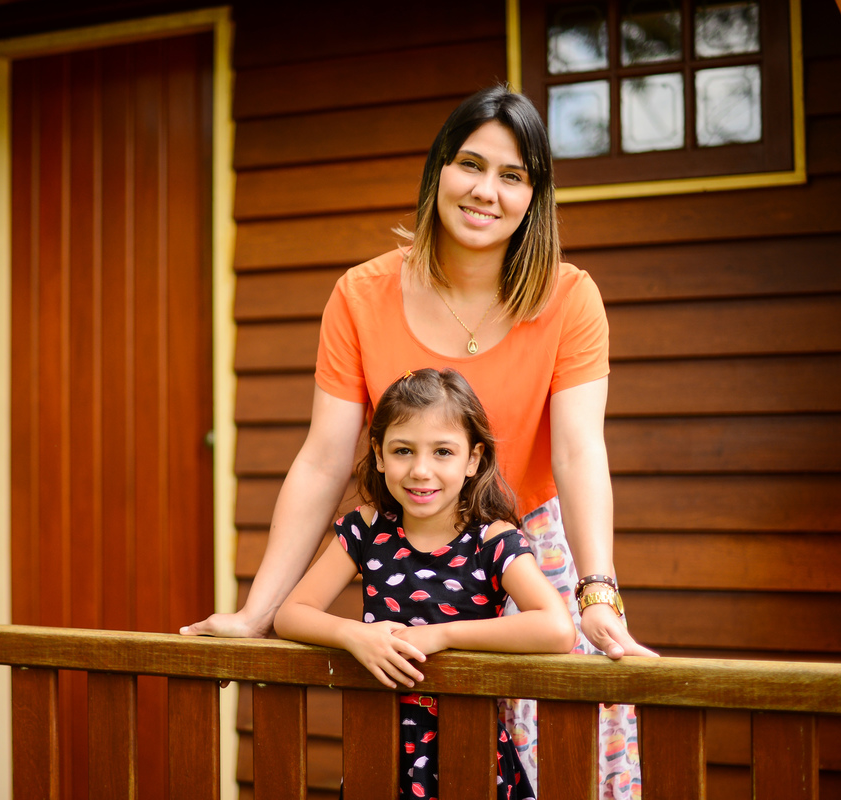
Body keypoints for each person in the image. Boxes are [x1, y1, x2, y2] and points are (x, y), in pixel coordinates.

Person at [182, 85, 656, 796]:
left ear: (535, 197)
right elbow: (323, 459)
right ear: (439, 170)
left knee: (571, 769)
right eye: (471, 164)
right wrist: (256, 614)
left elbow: (579, 451)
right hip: (417, 555)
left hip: (528, 551)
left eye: (513, 175)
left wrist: (597, 592)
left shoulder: (570, 297)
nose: (486, 191)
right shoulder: (360, 295)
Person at [275, 368, 575, 799]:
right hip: (378, 752)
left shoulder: (492, 540)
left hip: (471, 754)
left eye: (442, 452)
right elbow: (291, 613)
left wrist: (442, 636)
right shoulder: (366, 530)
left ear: (472, 459)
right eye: (403, 450)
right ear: (379, 454)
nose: (420, 470)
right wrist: (353, 635)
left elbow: (557, 628)